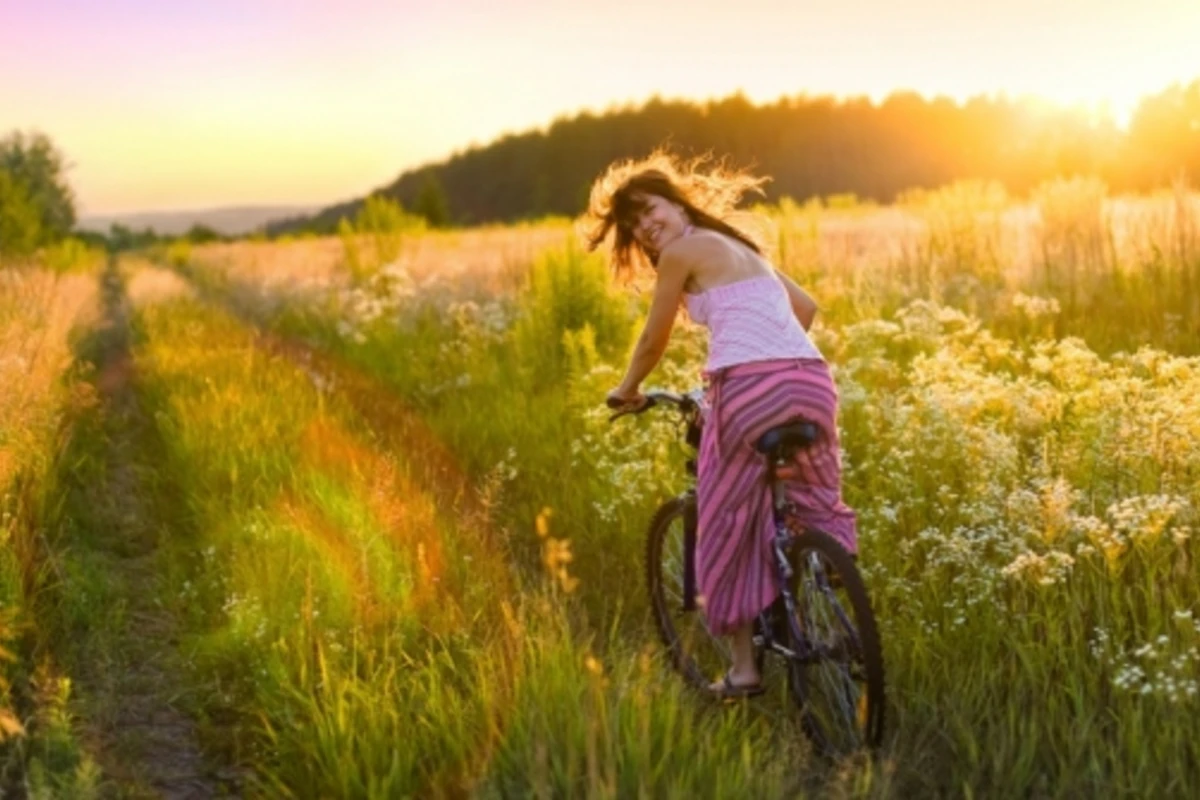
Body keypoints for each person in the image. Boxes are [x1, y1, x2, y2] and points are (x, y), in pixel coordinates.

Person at [584, 151, 858, 699]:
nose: (645, 225)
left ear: (675, 200)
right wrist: (764, 347)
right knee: (813, 501)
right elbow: (805, 308)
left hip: (748, 390)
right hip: (810, 381)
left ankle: (743, 669)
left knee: (725, 518)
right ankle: (827, 578)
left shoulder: (682, 252)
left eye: (648, 209)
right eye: (634, 224)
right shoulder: (744, 249)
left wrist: (628, 388)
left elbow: (653, 338)